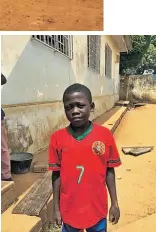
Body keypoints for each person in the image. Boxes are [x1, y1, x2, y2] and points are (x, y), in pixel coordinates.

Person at [49, 84, 121, 232]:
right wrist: (56, 209)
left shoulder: (104, 135)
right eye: (69, 107)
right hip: (69, 210)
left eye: (80, 105)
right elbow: (56, 175)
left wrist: (115, 203)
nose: (75, 111)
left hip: (97, 209)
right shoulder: (57, 139)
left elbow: (109, 171)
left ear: (91, 106)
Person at [1, 74, 12, 182]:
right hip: (0, 116)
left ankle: (6, 175)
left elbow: (3, 79)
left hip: (0, 117)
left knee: (2, 148)